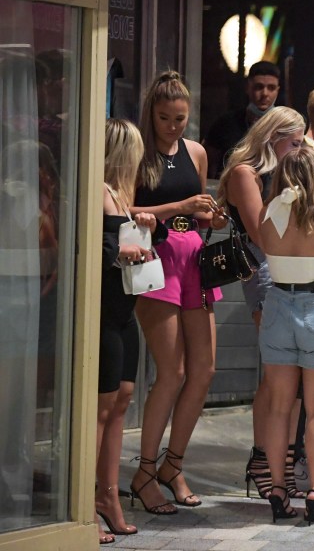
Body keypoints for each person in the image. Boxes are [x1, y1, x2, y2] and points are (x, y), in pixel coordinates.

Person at [131, 71, 227, 515]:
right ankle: (145, 473)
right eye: (166, 117)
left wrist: (212, 217)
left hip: (194, 257)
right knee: (171, 372)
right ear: (151, 112)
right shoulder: (137, 152)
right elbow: (124, 208)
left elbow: (200, 214)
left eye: (181, 119)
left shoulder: (196, 152)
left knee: (203, 370)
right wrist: (181, 208)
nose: (173, 126)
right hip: (156, 257)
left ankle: (173, 464)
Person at [217, 106, 308, 500]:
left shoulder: (287, 172)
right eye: (296, 142)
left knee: (296, 375)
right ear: (274, 137)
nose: (301, 149)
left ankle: (280, 460)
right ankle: (264, 459)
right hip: (266, 270)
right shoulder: (245, 173)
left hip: (296, 268)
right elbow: (261, 232)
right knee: (278, 374)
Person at [257, 145, 314, 524]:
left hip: (278, 304)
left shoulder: (270, 214)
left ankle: (278, 488)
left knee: (279, 407)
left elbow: (264, 251)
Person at [97, 119, 166, 543]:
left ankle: (108, 496)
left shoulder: (122, 196)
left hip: (125, 308)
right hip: (103, 311)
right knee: (102, 408)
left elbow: (123, 244)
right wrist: (119, 247)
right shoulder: (98, 191)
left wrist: (143, 226)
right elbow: (85, 241)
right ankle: (84, 501)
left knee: (123, 400)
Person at [203, 60, 281, 178]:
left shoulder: (285, 126)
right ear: (248, 87)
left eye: (271, 88)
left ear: (277, 91)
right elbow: (206, 161)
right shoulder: (225, 123)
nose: (265, 93)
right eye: (258, 87)